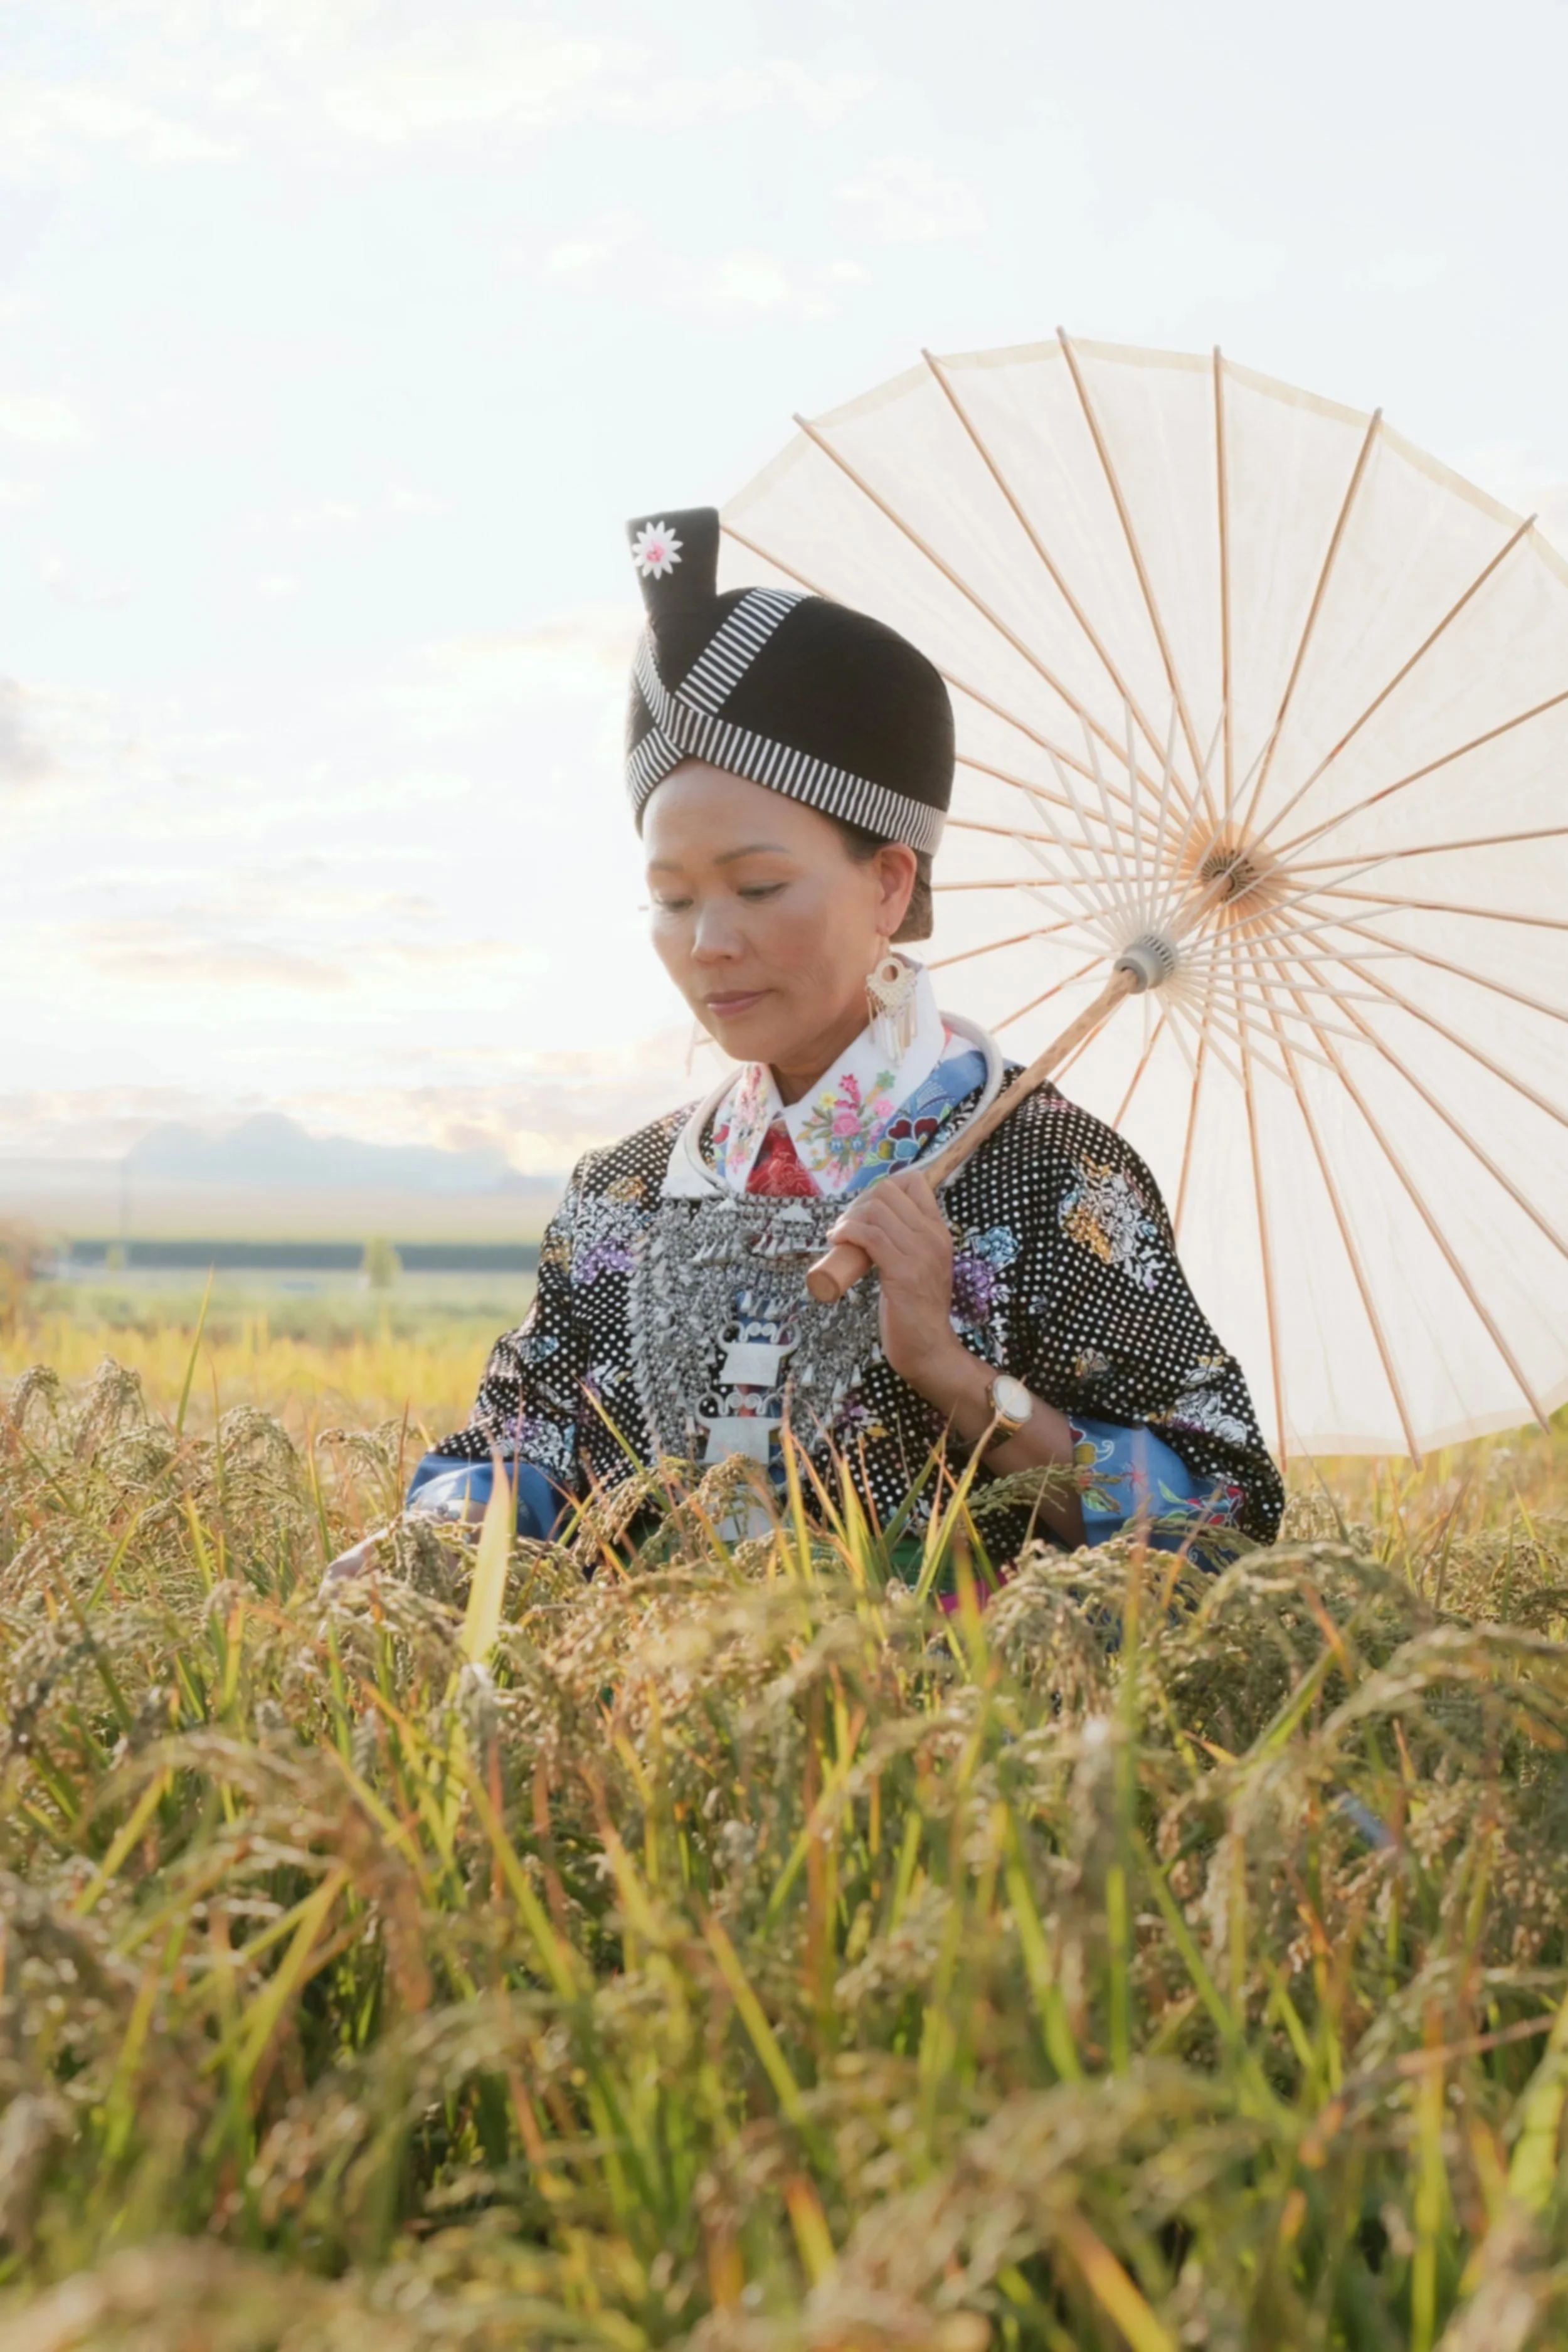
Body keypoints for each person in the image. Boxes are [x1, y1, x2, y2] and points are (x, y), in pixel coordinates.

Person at [333, 506, 1282, 1584]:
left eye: (758, 886)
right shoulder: (628, 1193)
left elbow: (1226, 1527)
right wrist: (437, 1538)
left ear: (889, 881)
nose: (709, 944)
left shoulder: (1055, 1179)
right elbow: (532, 1443)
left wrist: (953, 1372)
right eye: (671, 898)